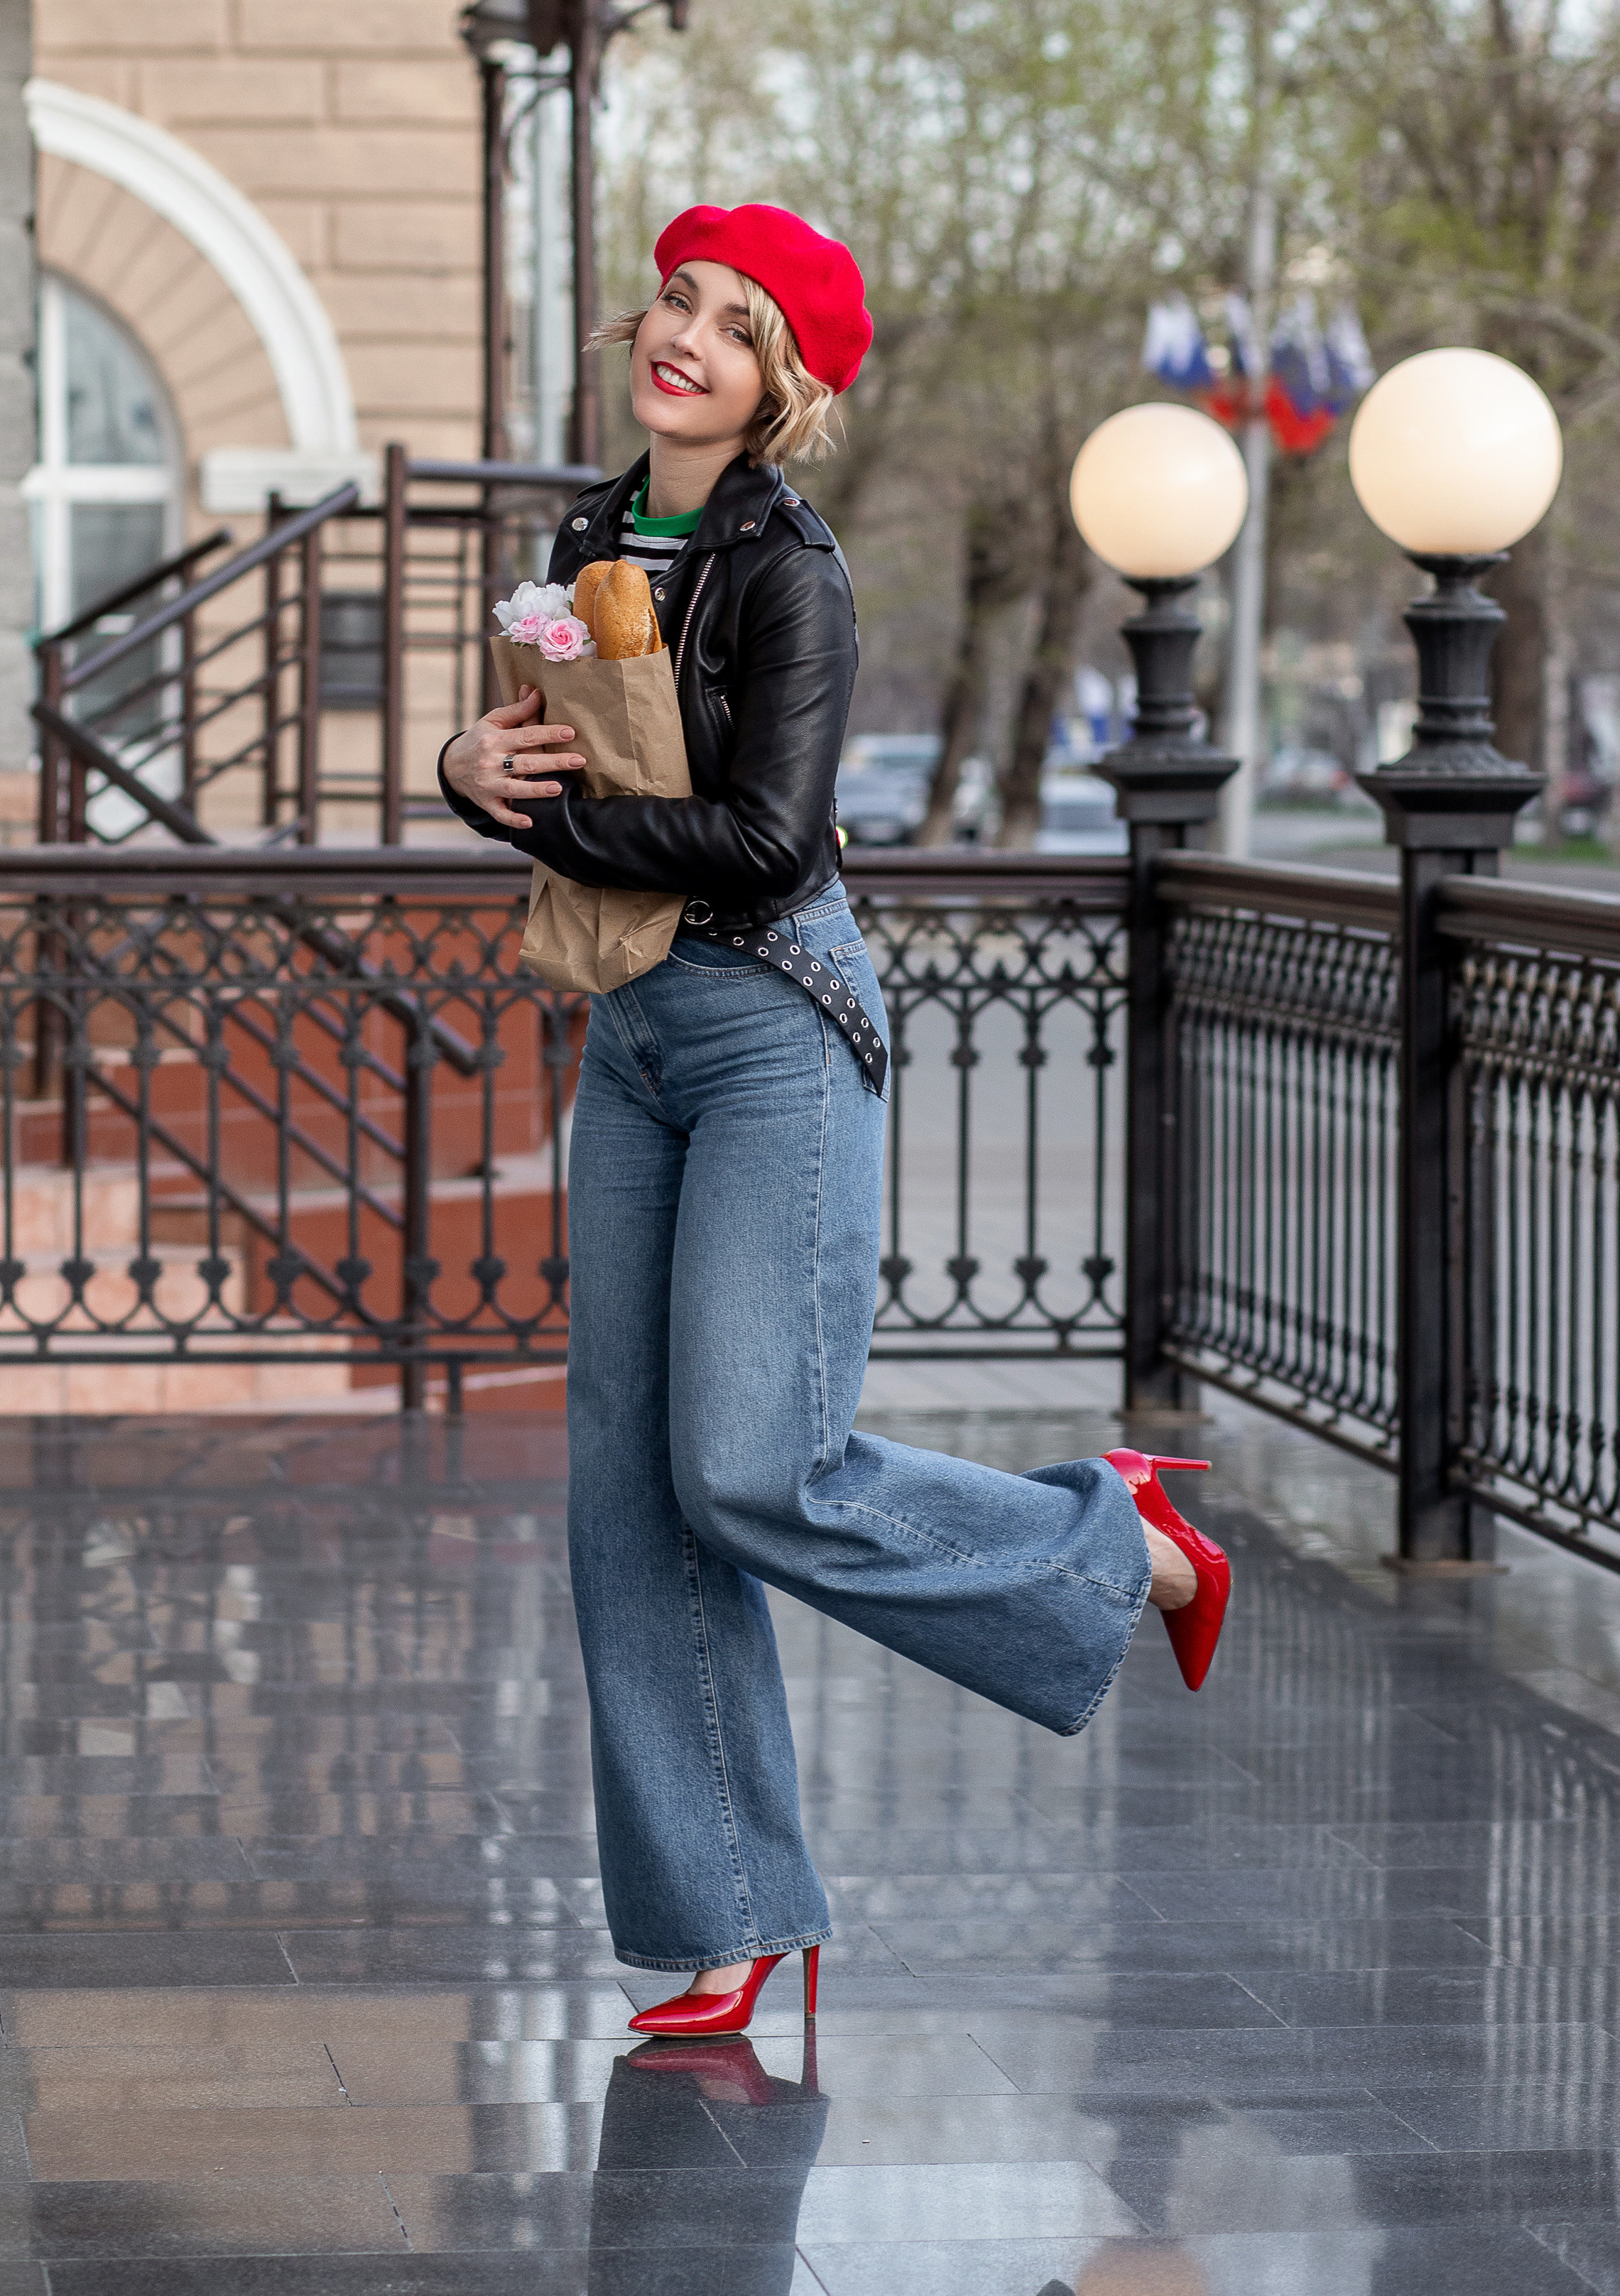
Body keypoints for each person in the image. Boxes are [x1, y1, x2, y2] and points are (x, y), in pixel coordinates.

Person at [439, 202, 1229, 2038]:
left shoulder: (791, 566)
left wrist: (532, 826)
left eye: (735, 323)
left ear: (779, 382)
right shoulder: (585, 531)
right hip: (628, 1030)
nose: (687, 336)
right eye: (677, 300)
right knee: (626, 1505)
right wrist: (462, 767)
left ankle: (1118, 1542)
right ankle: (728, 1920)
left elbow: (771, 843)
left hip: (773, 1029)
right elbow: (539, 745)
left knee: (752, 1467)